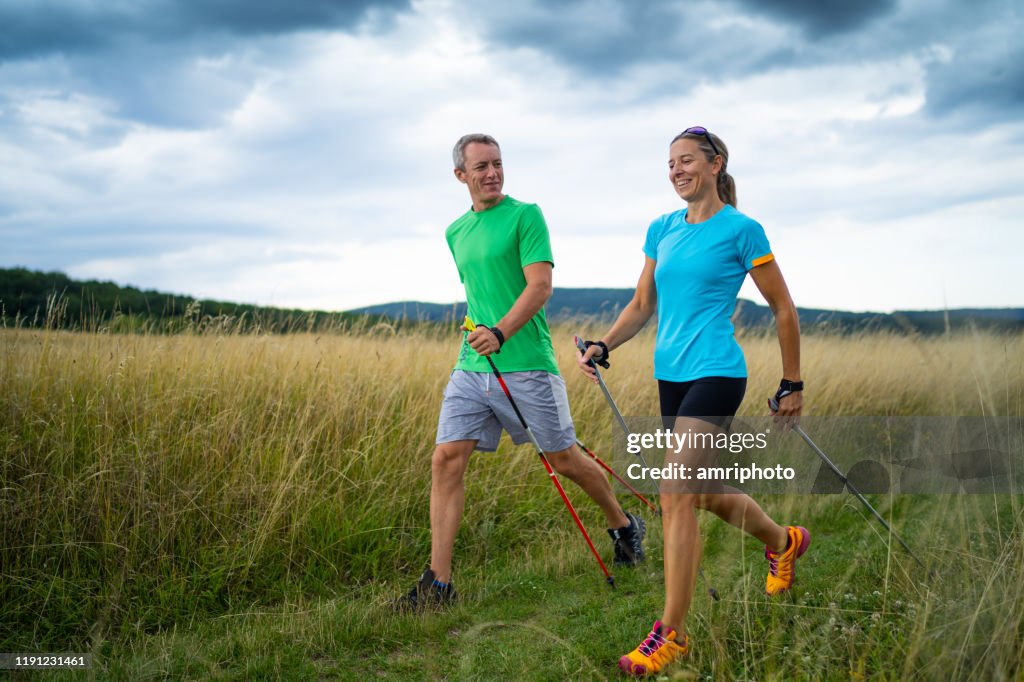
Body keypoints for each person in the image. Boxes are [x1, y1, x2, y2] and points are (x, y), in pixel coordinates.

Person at [576, 127, 808, 676]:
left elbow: (783, 309)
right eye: (670, 163)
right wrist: (605, 344)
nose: (677, 170)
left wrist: (792, 384)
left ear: (715, 163)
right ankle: (783, 541)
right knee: (697, 492)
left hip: (718, 372)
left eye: (687, 161)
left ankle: (671, 634)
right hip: (671, 377)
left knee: (675, 490)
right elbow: (640, 304)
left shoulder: (742, 230)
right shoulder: (662, 229)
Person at [395, 133, 646, 611]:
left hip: (527, 363)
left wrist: (502, 331)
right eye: (481, 166)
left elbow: (540, 286)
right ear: (460, 176)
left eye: (497, 163)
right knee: (445, 459)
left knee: (564, 460)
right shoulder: (454, 232)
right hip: (473, 365)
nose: (492, 173)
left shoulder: (526, 215)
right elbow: (480, 293)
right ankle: (439, 585)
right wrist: (480, 331)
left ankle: (623, 525)